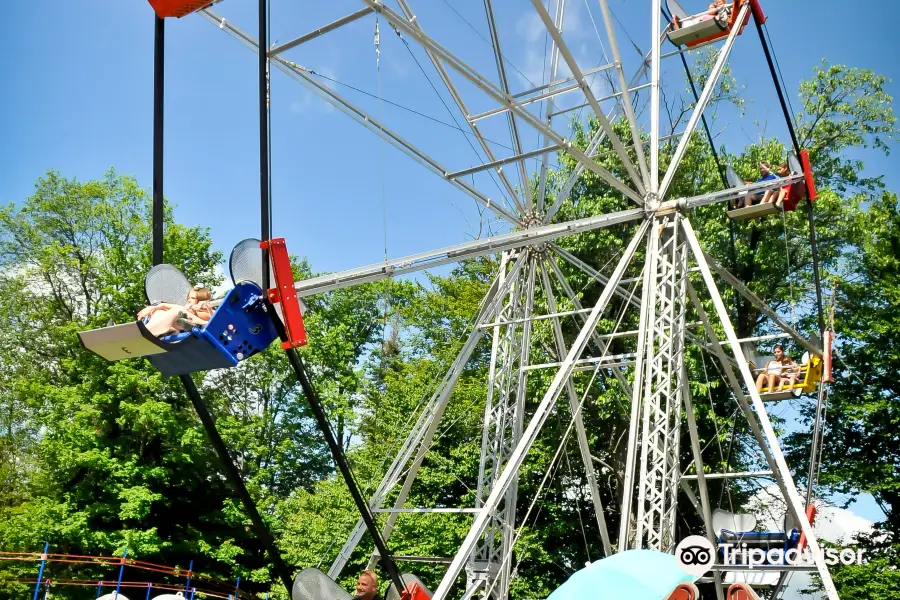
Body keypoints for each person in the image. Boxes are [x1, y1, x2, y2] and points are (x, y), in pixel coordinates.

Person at [137, 286, 215, 336]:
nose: (189, 300)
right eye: (188, 298)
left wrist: (203, 308)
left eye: (192, 298)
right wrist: (152, 308)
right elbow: (165, 306)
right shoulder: (188, 309)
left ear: (201, 300)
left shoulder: (207, 312)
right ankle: (150, 330)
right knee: (159, 312)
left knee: (177, 312)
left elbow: (213, 321)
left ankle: (146, 332)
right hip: (184, 324)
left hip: (192, 327)